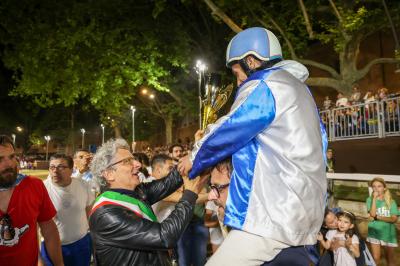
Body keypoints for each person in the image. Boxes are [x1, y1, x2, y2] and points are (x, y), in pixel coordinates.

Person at [178, 27, 327, 265]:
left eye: (237, 72)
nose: (238, 81)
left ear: (251, 60)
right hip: (306, 217)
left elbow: (232, 126)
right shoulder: (302, 91)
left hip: (273, 215)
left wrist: (194, 157)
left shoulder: (266, 84)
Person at [88, 138, 208, 266]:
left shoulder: (137, 191)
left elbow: (170, 182)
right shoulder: (106, 213)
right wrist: (189, 195)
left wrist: (193, 157)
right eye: (128, 161)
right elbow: (164, 237)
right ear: (109, 174)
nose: (138, 164)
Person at [0, 135, 63, 265]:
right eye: (0, 159)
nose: (9, 164)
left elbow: (49, 229)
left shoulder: (34, 186)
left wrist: (59, 264)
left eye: (12, 157)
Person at [42, 154, 95, 266]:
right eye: (52, 167)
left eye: (61, 167)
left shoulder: (84, 186)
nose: (55, 171)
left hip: (81, 244)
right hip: (51, 247)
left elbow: (89, 214)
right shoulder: (42, 189)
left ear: (71, 170)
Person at [366, 177, 398, 266]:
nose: (376, 189)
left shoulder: (391, 202)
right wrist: (374, 199)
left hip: (388, 233)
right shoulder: (369, 200)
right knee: (375, 258)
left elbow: (394, 219)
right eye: (374, 186)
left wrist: (378, 217)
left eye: (379, 186)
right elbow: (372, 214)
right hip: (374, 232)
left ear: (384, 188)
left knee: (390, 259)